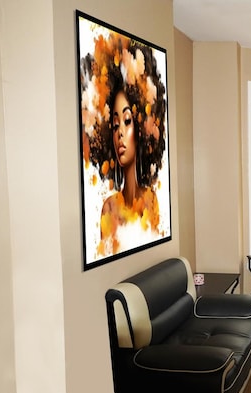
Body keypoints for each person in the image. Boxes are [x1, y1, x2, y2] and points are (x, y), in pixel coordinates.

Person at [80, 33, 167, 256]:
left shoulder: (151, 200)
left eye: (127, 121)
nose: (119, 133)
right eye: (115, 124)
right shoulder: (109, 208)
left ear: (141, 129)